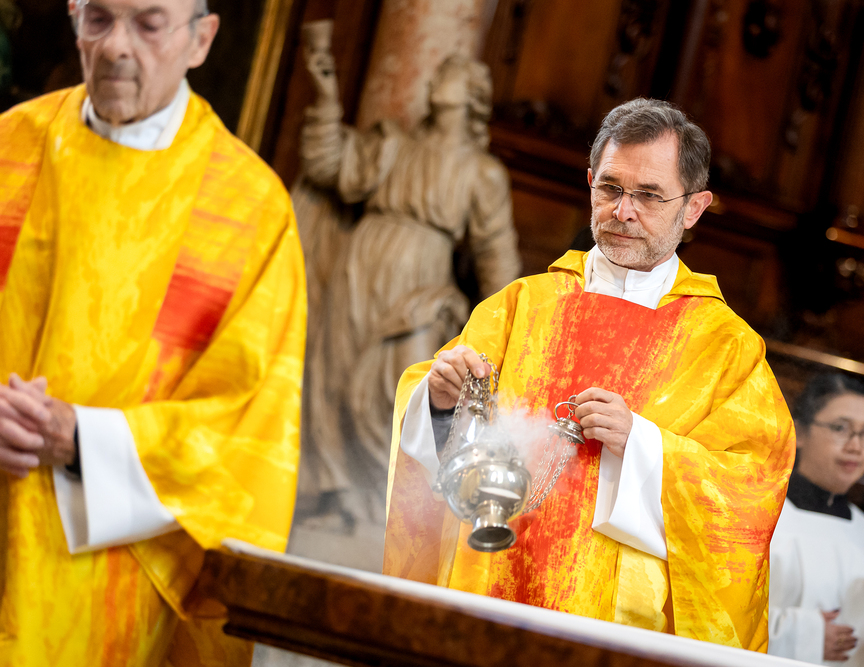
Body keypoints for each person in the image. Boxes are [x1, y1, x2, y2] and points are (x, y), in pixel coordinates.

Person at [382, 98, 796, 652]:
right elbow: (442, 452)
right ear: (589, 184)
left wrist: (641, 443)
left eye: (649, 195)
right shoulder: (521, 306)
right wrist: (438, 400)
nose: (623, 211)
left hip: (617, 631)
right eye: (610, 188)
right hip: (489, 589)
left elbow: (751, 493)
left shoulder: (726, 347)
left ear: (694, 208)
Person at [0, 0, 306, 664]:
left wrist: (83, 440)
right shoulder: (8, 149)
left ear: (201, 39)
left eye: (148, 23)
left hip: (110, 582)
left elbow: (247, 430)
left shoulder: (251, 212)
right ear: (74, 16)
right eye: (99, 19)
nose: (116, 46)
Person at [294, 48, 520, 512]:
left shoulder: (482, 172)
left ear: (472, 95)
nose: (434, 80)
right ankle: (337, 498)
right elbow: (327, 166)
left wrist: (505, 333)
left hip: (418, 284)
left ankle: (381, 507)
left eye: (447, 74)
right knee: (334, 373)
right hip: (357, 271)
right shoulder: (393, 144)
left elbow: (495, 256)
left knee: (395, 390)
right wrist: (327, 94)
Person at [768, 373, 864, 666]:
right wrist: (804, 637)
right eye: (841, 428)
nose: (856, 446)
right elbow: (715, 618)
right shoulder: (761, 517)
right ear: (799, 432)